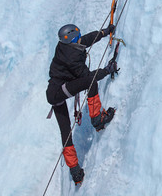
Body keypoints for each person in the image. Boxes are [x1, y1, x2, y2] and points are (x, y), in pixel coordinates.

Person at [46, 23, 117, 185]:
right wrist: (107, 70)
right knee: (92, 82)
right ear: (72, 38)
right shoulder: (72, 58)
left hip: (54, 91)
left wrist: (104, 32)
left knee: (65, 131)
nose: (80, 37)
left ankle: (75, 171)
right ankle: (97, 119)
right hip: (58, 92)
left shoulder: (66, 45)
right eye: (77, 36)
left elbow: (85, 40)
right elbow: (88, 78)